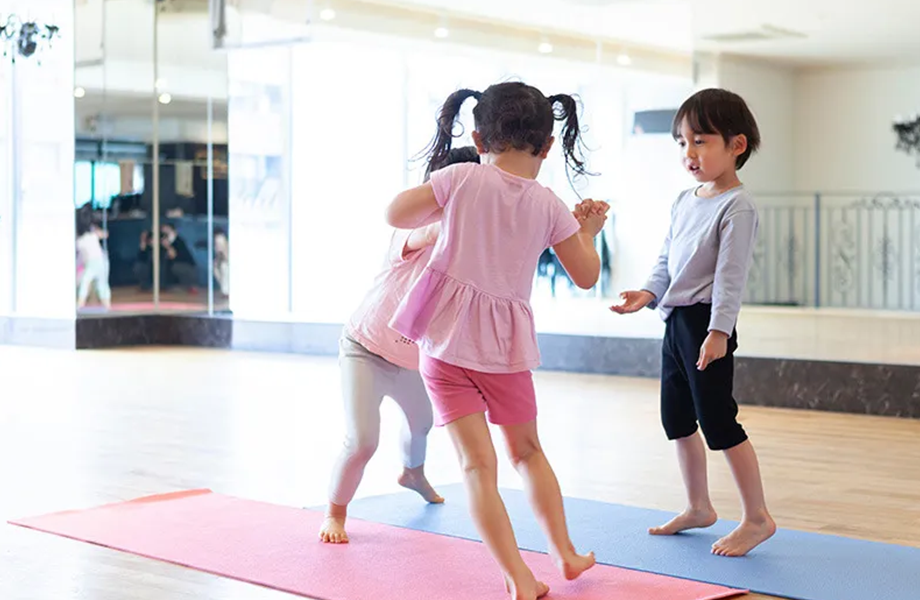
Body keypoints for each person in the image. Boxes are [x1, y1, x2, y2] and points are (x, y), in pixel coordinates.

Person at [385, 82, 607, 600]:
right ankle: (566, 554)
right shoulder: (550, 205)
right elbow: (586, 276)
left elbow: (395, 214)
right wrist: (588, 231)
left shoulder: (461, 177)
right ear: (548, 147)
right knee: (527, 452)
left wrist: (444, 213)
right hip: (504, 352)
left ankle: (517, 578)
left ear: (478, 136)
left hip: (443, 345)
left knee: (475, 467)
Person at [611, 88, 776, 557]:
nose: (689, 153)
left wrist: (719, 332)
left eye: (701, 141)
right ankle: (698, 506)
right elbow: (667, 259)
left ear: (736, 146)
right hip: (675, 322)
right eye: (683, 143)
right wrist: (647, 293)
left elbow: (730, 277)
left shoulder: (736, 207)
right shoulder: (685, 199)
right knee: (677, 420)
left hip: (706, 324)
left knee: (719, 422)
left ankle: (757, 517)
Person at [319, 146, 481, 545]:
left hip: (411, 359)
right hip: (364, 349)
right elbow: (431, 234)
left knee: (421, 424)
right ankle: (334, 513)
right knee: (362, 441)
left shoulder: (470, 244)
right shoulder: (416, 227)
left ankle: (412, 473)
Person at [76, 223, 112, 310]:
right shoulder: (85, 238)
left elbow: (105, 234)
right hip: (97, 262)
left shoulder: (87, 237)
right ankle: (107, 306)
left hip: (98, 262)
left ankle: (80, 304)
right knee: (98, 284)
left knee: (94, 284)